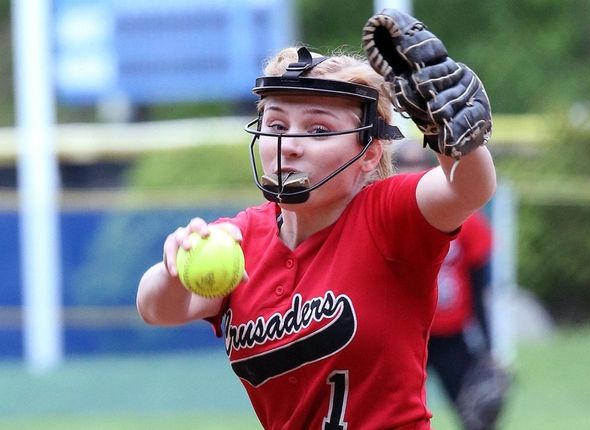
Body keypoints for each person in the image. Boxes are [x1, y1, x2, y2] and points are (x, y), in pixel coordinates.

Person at [136, 31, 496, 430]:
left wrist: (451, 132)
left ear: (369, 153)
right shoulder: (240, 238)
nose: (288, 144)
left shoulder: (386, 215)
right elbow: (158, 309)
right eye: (276, 124)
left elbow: (468, 188)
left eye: (319, 130)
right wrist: (173, 269)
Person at [395, 141, 511, 430]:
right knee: (391, 416)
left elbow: (480, 286)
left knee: (476, 417)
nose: (413, 172)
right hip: (402, 336)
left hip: (451, 336)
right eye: (404, 165)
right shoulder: (385, 220)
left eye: (419, 163)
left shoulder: (465, 220)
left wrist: (488, 347)